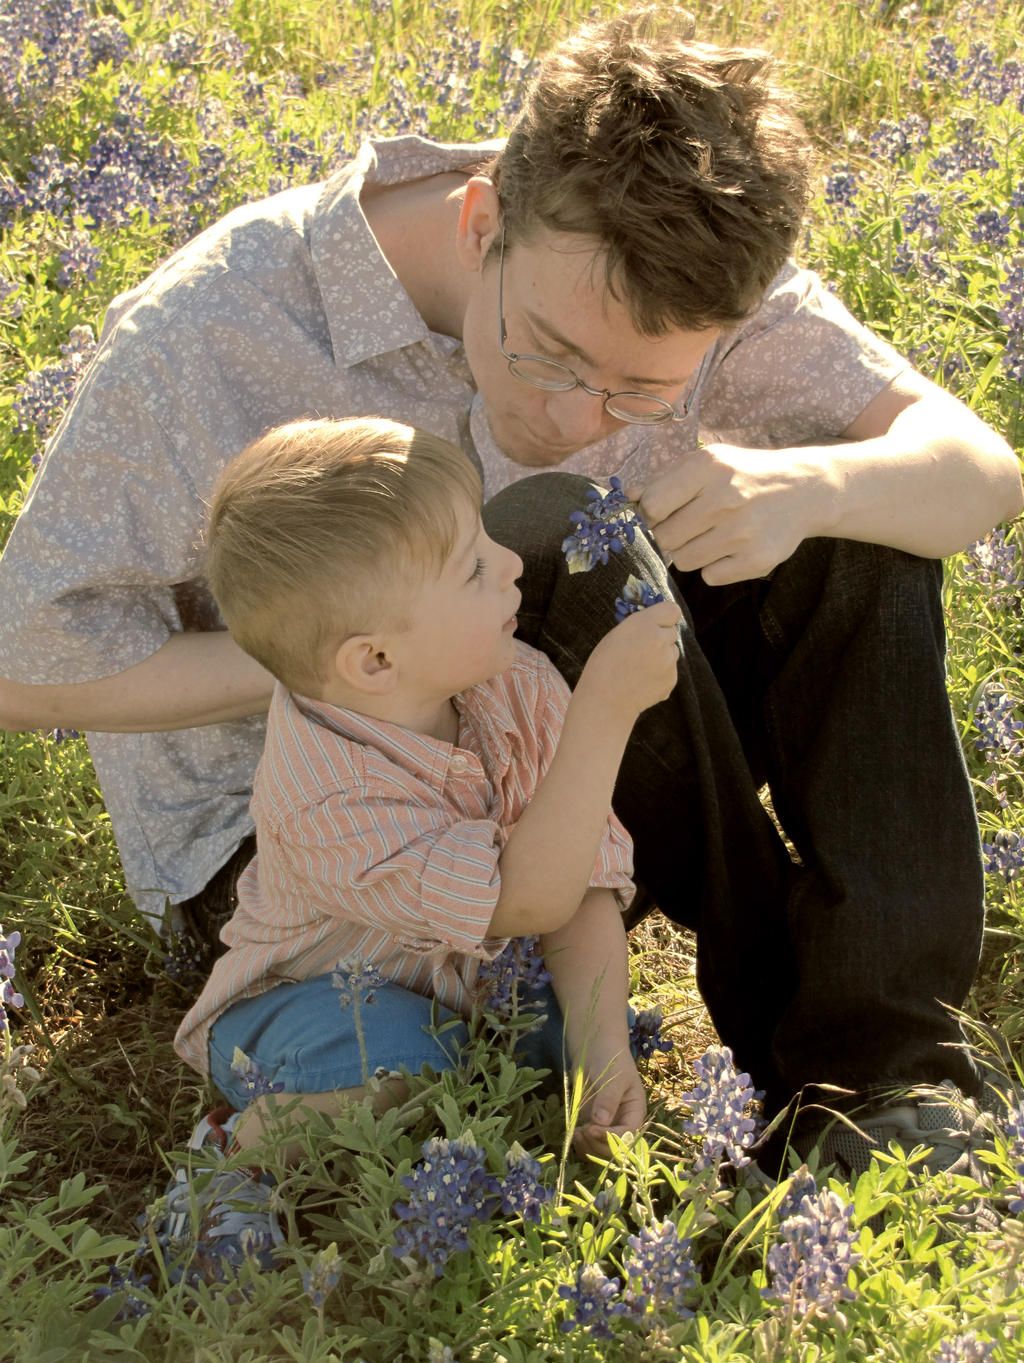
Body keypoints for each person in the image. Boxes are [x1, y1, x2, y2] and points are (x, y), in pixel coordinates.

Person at [0, 7, 1019, 1165]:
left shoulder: (687, 272)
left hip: (550, 764)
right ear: (483, 220)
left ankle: (888, 1067)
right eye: (547, 352)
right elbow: (20, 658)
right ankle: (804, 1044)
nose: (575, 416)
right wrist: (342, 652)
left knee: (856, 520)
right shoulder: (224, 325)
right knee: (552, 534)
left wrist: (817, 484)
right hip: (311, 854)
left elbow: (980, 473)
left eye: (639, 390)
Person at [162, 414, 680, 1274]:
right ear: (374, 661)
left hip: (468, 979)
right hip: (303, 1003)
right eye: (476, 566)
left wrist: (600, 1051)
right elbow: (527, 899)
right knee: (408, 1070)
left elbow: (580, 886)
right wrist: (607, 710)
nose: (514, 563)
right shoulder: (323, 794)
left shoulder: (514, 682)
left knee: (582, 1037)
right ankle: (234, 1147)